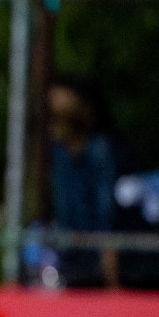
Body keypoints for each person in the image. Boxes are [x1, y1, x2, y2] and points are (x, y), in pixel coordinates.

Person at [45, 78, 121, 288]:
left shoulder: (99, 149)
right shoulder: (59, 153)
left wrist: (108, 263)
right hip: (68, 257)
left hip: (96, 257)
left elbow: (105, 211)